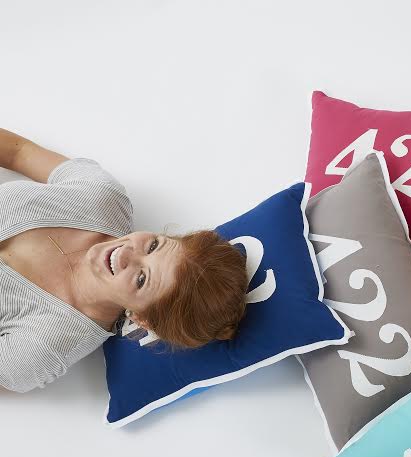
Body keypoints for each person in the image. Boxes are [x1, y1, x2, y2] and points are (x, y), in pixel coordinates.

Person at [0, 129, 249, 393]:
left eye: (142, 279)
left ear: (142, 319)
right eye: (153, 245)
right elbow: (19, 152)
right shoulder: (102, 197)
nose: (126, 253)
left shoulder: (44, 347)